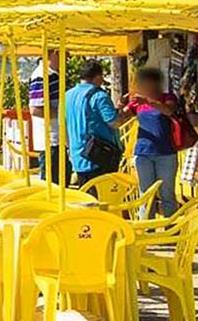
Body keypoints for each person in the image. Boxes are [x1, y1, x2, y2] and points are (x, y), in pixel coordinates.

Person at [122, 67, 180, 216]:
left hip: (166, 153)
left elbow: (169, 111)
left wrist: (149, 101)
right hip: (143, 153)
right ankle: (147, 230)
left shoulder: (168, 97)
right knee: (146, 195)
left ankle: (172, 234)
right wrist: (120, 106)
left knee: (167, 195)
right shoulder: (137, 102)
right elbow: (122, 117)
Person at [65, 59, 126, 186]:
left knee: (86, 200)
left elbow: (64, 126)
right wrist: (124, 113)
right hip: (99, 158)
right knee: (103, 200)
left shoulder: (67, 96)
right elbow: (114, 122)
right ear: (97, 76)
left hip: (78, 157)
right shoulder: (99, 96)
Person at [28, 50, 69, 184]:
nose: (67, 58)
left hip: (59, 139)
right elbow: (35, 109)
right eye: (65, 54)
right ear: (55, 53)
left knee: (63, 179)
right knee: (53, 183)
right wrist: (61, 113)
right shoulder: (42, 76)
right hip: (50, 139)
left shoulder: (54, 75)